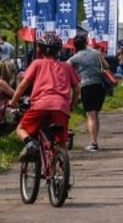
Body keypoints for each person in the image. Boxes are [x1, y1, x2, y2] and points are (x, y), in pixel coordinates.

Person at [10, 31, 81, 159]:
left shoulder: (37, 63)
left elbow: (23, 85)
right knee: (61, 143)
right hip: (61, 107)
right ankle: (60, 170)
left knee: (21, 128)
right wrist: (71, 105)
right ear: (58, 50)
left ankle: (30, 143)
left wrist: (13, 101)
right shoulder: (67, 66)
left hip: (40, 105)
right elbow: (76, 90)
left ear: (40, 50)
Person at [68, 30, 110, 151]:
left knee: (90, 116)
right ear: (86, 43)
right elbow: (106, 66)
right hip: (99, 86)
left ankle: (94, 143)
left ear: (75, 46)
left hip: (86, 86)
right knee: (95, 114)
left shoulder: (74, 58)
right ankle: (95, 141)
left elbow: (65, 68)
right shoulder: (95, 52)